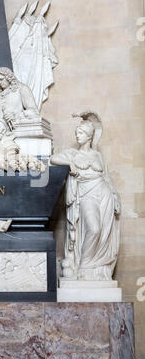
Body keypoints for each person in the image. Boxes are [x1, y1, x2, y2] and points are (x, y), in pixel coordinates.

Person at [50, 112, 121, 281]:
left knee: (104, 231)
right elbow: (53, 158)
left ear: (89, 137)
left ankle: (96, 270)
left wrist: (115, 196)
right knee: (94, 228)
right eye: (77, 132)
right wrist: (70, 163)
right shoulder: (72, 154)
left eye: (81, 133)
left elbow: (107, 177)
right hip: (86, 193)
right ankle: (84, 266)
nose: (77, 135)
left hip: (103, 193)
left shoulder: (98, 155)